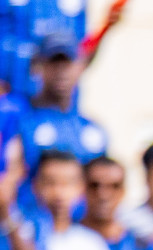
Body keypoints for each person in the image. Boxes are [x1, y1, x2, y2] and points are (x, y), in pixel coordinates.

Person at [14, 32, 105, 211]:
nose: (61, 71)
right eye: (54, 63)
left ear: (80, 67)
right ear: (38, 67)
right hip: (31, 227)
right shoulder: (22, 123)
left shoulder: (93, 130)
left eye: (68, 63)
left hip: (81, 230)